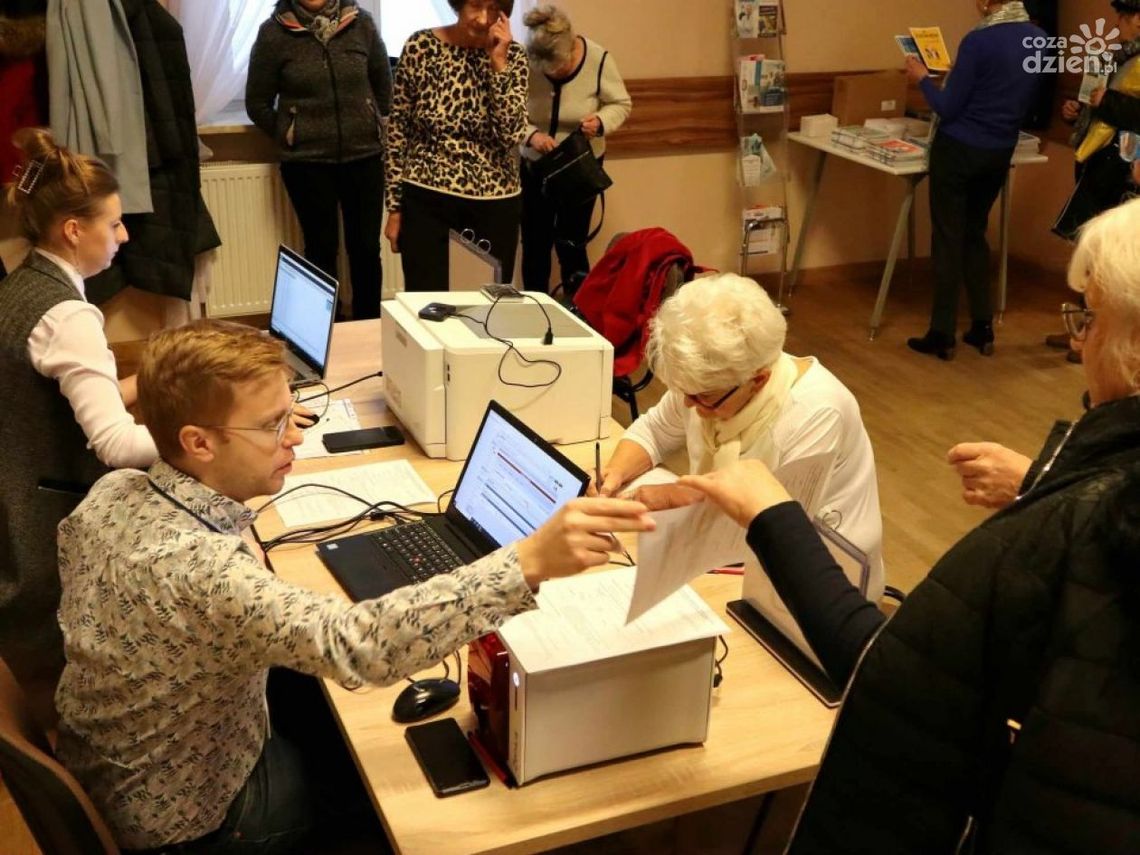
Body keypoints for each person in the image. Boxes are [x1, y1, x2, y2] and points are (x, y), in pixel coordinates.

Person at [53, 318, 654, 852]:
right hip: (195, 823)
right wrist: (525, 562)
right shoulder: (203, 571)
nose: (295, 435)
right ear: (199, 442)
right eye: (272, 425)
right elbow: (355, 646)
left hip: (113, 768)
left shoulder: (113, 494)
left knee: (321, 709)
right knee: (389, 790)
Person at [664, 197, 1140, 852]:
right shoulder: (1095, 508)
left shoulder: (1067, 529)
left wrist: (770, 513)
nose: (1080, 339)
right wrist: (1040, 482)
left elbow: (889, 673)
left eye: (1090, 317)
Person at [595, 273, 885, 601]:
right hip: (726, 550)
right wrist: (613, 475)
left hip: (820, 582)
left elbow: (770, 524)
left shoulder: (816, 412)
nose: (689, 404)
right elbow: (656, 430)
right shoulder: (711, 380)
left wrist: (666, 497)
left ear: (758, 380)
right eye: (682, 392)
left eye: (702, 397)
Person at [0, 127, 157, 723]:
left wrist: (153, 383)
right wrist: (204, 437)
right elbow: (116, 445)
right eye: (113, 224)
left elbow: (48, 399)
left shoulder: (22, 286)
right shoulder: (68, 314)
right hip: (42, 523)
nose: (123, 235)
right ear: (74, 229)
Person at [904, 1, 1044, 360]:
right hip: (1000, 149)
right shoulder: (1040, 39)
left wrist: (922, 78)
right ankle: (982, 327)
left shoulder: (978, 41)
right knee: (974, 233)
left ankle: (942, 332)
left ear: (986, 2)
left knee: (948, 237)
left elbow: (948, 107)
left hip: (959, 148)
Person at [246, 0, 391, 320]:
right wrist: (289, 132)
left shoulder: (361, 24)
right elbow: (256, 102)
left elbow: (384, 87)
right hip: (306, 164)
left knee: (366, 251)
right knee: (321, 251)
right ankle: (328, 330)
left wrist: (372, 122)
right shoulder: (273, 34)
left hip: (364, 157)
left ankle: (368, 326)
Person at [384, 0, 528, 291]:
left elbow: (512, 133)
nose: (483, 18)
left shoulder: (513, 57)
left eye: (493, 8)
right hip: (427, 198)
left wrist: (498, 64)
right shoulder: (420, 48)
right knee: (425, 303)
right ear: (458, 4)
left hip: (494, 202)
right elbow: (398, 131)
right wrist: (395, 208)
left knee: (487, 310)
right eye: (475, 5)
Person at [1048, 0, 1140, 361]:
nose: (1120, 22)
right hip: (1097, 161)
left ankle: (1102, 339)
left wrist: (1107, 102)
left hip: (1122, 170)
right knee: (1089, 251)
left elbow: (1129, 112)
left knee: (1110, 260)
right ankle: (1084, 333)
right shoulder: (1117, 57)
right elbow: (1094, 103)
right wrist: (1075, 110)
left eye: (1126, 15)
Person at [519, 4, 631, 295]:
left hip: (578, 167)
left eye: (559, 68)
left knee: (571, 243)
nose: (553, 74)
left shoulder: (598, 59)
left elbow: (621, 104)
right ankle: (534, 308)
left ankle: (579, 312)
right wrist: (531, 136)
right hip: (535, 167)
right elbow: (510, 111)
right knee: (534, 243)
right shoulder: (523, 59)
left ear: (571, 47)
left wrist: (600, 121)